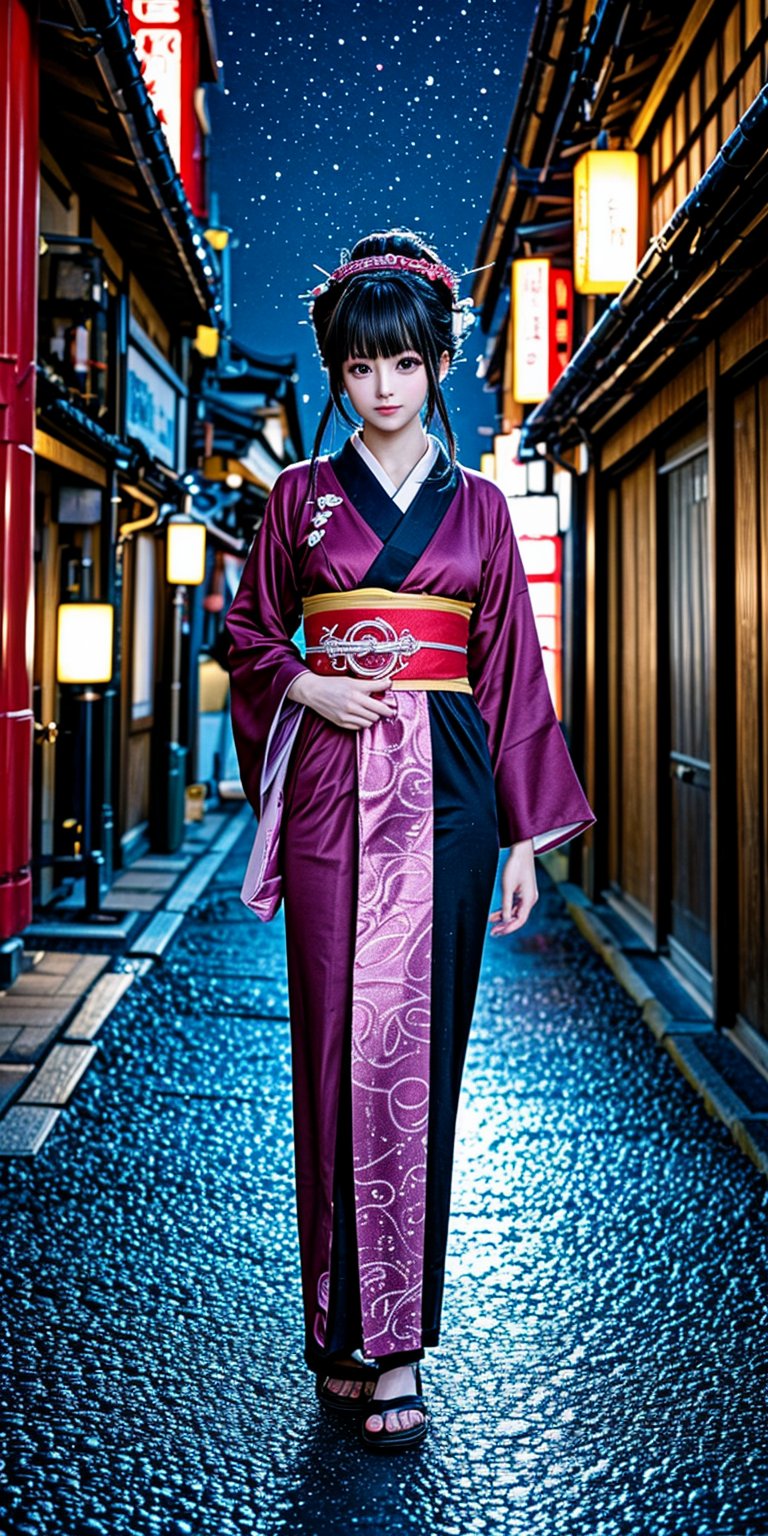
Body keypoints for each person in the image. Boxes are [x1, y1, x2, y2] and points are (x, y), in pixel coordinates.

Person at [224, 229, 595, 1454]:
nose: (383, 387)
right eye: (360, 365)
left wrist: (529, 838)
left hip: (448, 785)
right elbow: (246, 634)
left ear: (439, 364)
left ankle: (398, 1344)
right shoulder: (296, 501)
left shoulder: (482, 509)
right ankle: (338, 1323)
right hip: (334, 775)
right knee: (335, 1041)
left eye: (405, 363)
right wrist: (307, 688)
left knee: (419, 1050)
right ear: (335, 371)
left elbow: (513, 676)